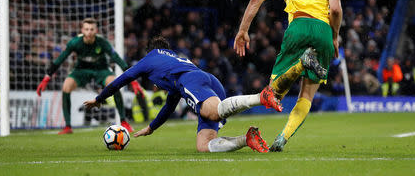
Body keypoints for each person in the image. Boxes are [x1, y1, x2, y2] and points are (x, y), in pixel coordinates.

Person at [234, 0, 342, 152]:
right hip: (323, 30)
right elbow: (335, 9)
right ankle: (282, 138)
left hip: (298, 27)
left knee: (272, 92)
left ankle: (301, 64)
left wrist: (243, 30)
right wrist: (334, 36)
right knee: (307, 95)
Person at [84, 36, 282, 153]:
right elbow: (170, 104)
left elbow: (123, 78)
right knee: (203, 145)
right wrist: (152, 127)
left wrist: (99, 99)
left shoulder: (150, 58)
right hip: (207, 81)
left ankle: (260, 97)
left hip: (191, 82)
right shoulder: (176, 60)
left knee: (214, 113)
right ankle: (246, 139)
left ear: (152, 51)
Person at [36, 18, 143, 134]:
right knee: (66, 86)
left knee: (114, 83)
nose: (89, 32)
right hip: (81, 70)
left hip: (101, 69)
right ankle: (67, 126)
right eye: (86, 29)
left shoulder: (102, 42)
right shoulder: (75, 42)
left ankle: (123, 121)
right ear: (82, 30)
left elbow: (118, 59)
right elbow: (60, 59)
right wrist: (47, 77)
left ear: (96, 31)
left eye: (92, 29)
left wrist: (133, 81)